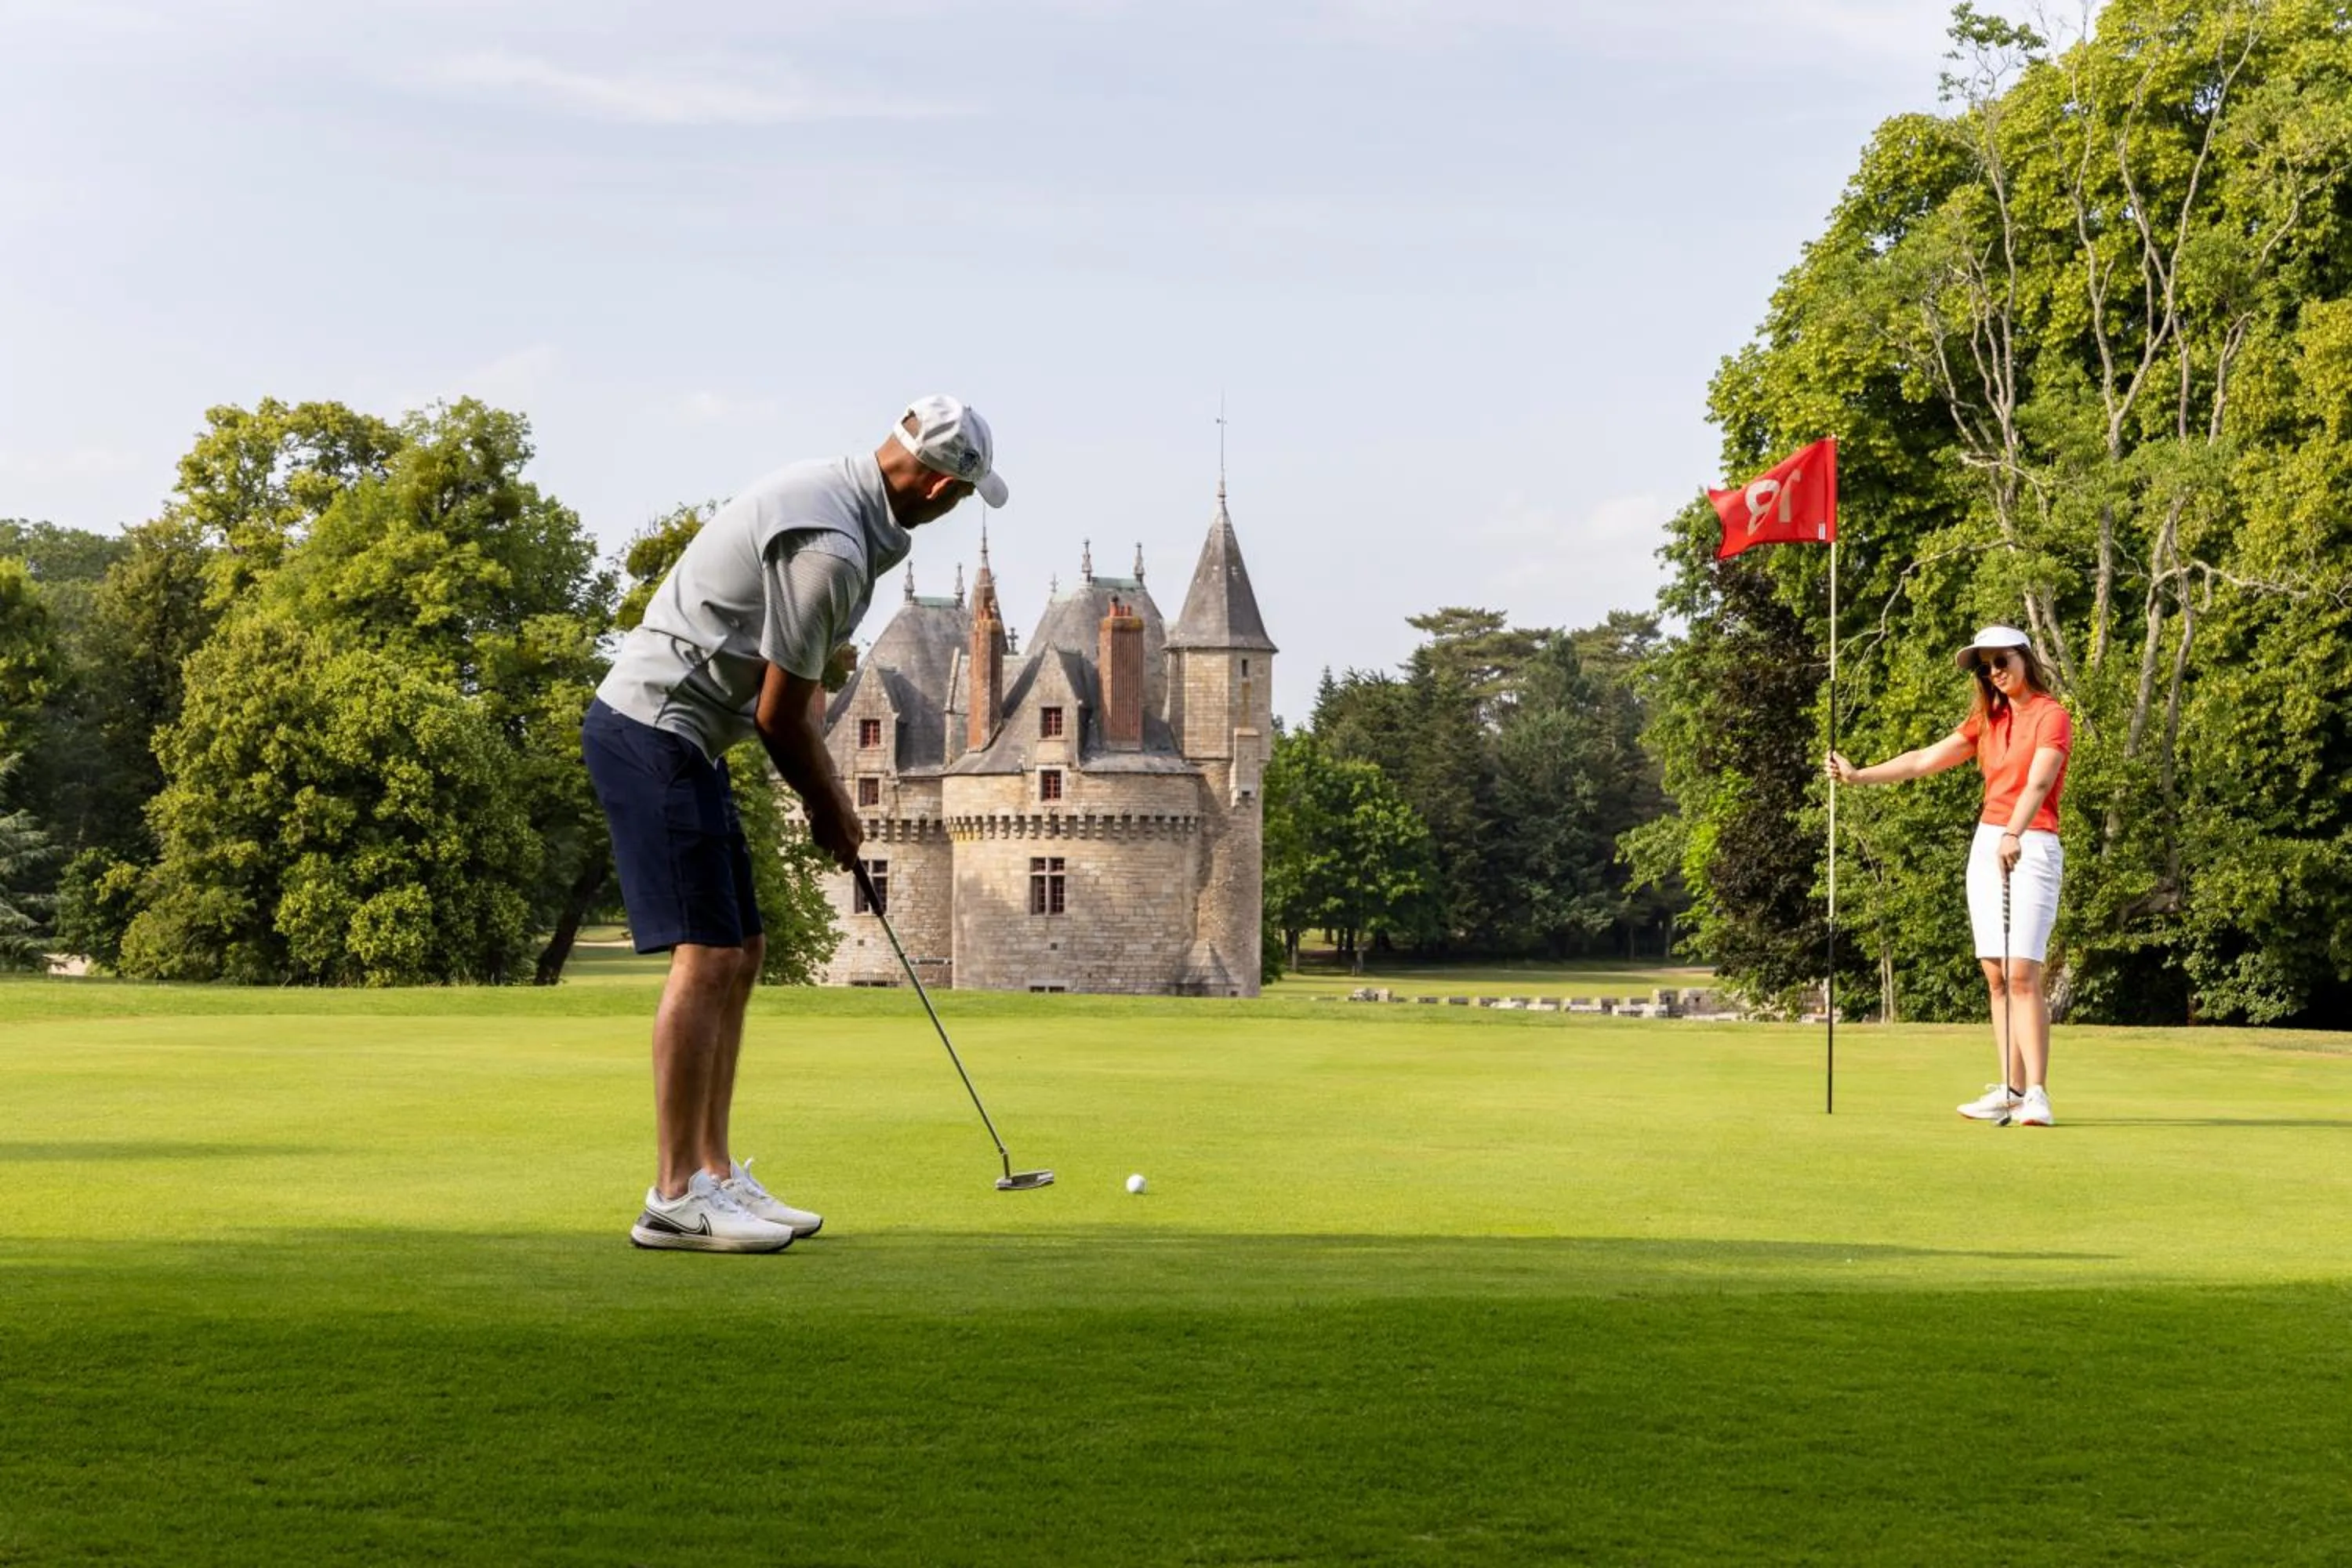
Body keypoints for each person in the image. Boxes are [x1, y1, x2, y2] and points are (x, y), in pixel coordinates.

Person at [581, 396, 1008, 1250]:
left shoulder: (841, 500)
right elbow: (780, 718)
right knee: (708, 953)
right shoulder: (833, 549)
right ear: (935, 485)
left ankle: (714, 1172)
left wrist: (825, 779)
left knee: (743, 946)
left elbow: (797, 684)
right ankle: (675, 1195)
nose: (958, 507)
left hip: (687, 736)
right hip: (651, 727)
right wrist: (834, 806)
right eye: (963, 494)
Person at [1825, 624, 2072, 1127]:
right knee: (1996, 975)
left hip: (2032, 842)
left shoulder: (2052, 715)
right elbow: (1923, 761)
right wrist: (1858, 775)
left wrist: (2014, 832)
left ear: (2024, 658)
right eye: (1986, 666)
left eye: (2002, 660)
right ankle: (2010, 1090)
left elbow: (2039, 781)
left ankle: (2037, 1094)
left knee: (2022, 973)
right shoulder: (1988, 719)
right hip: (1989, 843)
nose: (1995, 672)